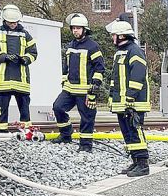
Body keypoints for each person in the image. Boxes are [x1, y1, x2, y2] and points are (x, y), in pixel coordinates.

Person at [52, 13, 105, 152]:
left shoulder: (93, 47)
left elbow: (100, 67)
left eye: (78, 28)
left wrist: (95, 86)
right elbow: (66, 66)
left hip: (86, 90)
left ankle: (86, 145)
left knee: (87, 117)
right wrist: (64, 81)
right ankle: (66, 135)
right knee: (57, 107)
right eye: (73, 28)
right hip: (69, 89)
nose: (75, 30)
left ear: (84, 29)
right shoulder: (71, 45)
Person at [106, 20, 150, 177]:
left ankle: (143, 164)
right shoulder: (121, 52)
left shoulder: (134, 51)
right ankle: (136, 161)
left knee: (135, 131)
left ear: (122, 36)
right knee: (127, 133)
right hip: (123, 103)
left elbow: (137, 76)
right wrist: (113, 97)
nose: (112, 38)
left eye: (114, 35)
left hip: (133, 103)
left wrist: (130, 97)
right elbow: (116, 78)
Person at [0, 4, 37, 132]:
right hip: (4, 78)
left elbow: (33, 53)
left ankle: (26, 130)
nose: (13, 24)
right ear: (4, 20)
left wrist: (24, 59)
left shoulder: (26, 35)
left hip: (21, 78)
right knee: (2, 105)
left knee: (24, 106)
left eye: (15, 22)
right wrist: (4, 57)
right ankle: (1, 129)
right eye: (11, 22)